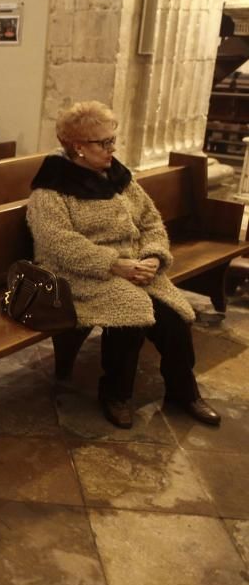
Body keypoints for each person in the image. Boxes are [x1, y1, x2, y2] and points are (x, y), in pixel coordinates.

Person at [26, 101, 221, 429]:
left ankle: (183, 392)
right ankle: (115, 394)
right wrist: (116, 265)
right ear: (77, 147)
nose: (112, 148)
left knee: (173, 316)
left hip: (131, 268)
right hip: (76, 275)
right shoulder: (50, 191)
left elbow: (150, 221)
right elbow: (59, 245)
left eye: (113, 140)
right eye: (104, 143)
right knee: (130, 312)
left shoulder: (118, 178)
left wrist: (152, 257)